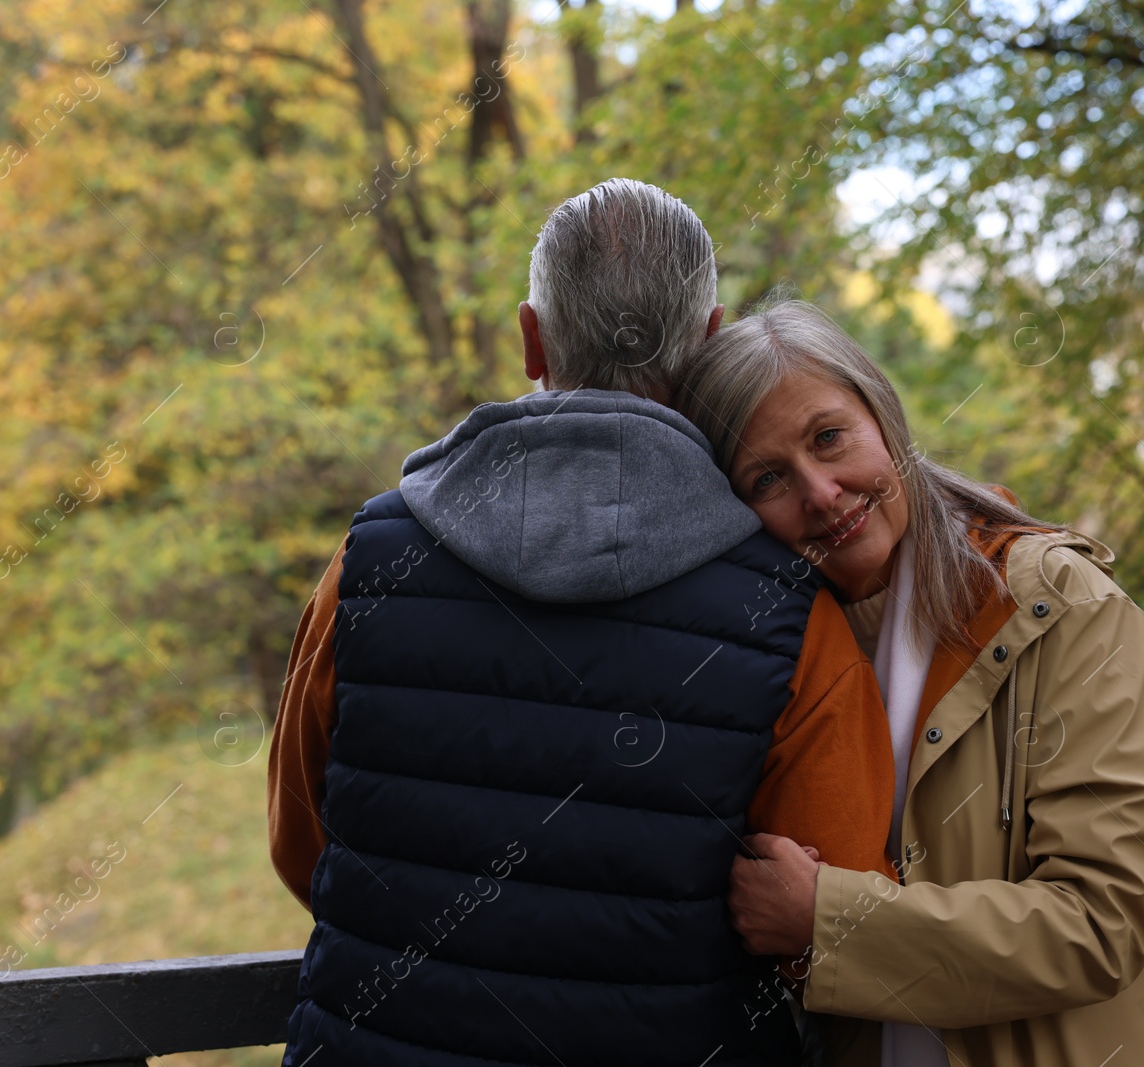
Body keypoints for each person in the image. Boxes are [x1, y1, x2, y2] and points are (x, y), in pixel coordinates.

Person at [267, 180, 895, 1066]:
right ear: (710, 340)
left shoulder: (369, 562)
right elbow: (832, 921)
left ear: (532, 338)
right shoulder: (791, 615)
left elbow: (303, 847)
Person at [676, 297, 1144, 1067]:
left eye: (828, 437)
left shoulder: (1058, 609)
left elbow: (1104, 922)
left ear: (884, 416)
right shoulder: (774, 666)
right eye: (769, 477)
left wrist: (826, 922)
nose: (822, 493)